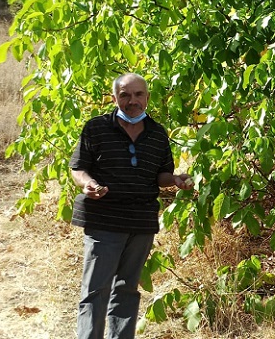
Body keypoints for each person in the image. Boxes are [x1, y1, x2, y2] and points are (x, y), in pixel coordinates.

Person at [70, 73, 194, 339]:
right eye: (125, 95)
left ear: (147, 98)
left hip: (141, 222)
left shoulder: (158, 134)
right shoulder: (96, 127)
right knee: (96, 290)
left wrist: (174, 179)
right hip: (105, 220)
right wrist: (88, 184)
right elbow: (78, 167)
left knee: (127, 289)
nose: (132, 101)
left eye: (138, 95)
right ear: (115, 98)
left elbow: (161, 175)